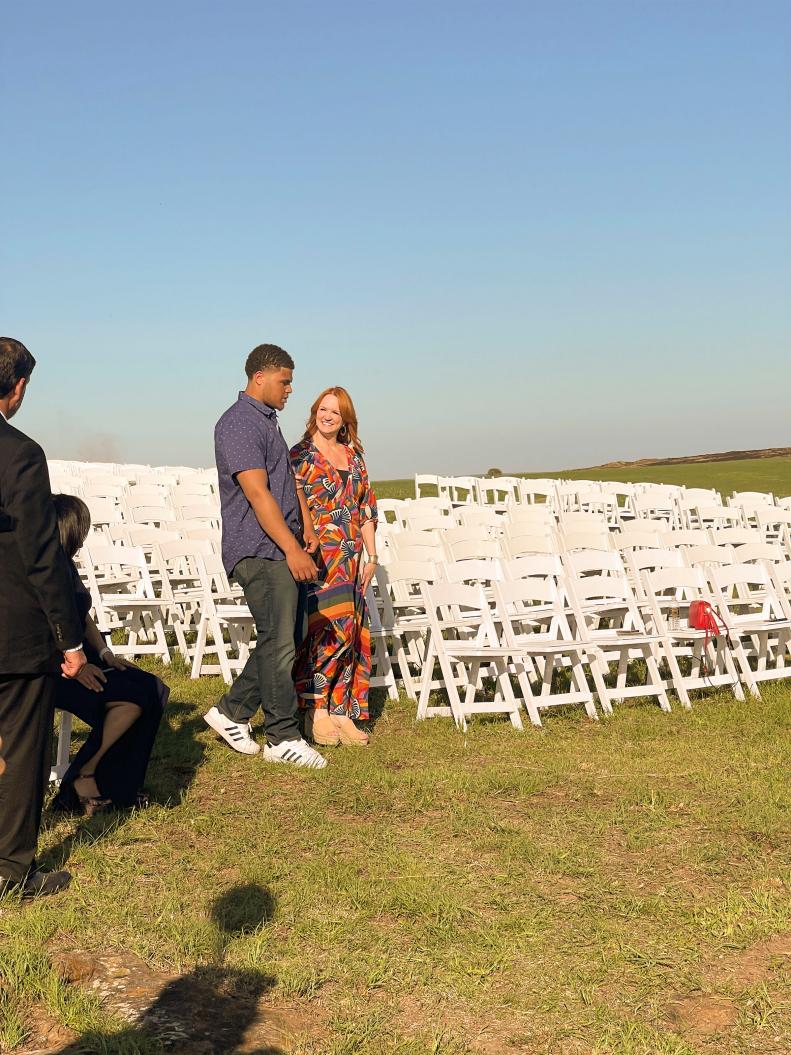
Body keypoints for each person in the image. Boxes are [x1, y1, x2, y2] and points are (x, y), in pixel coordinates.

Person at [203, 343, 327, 768]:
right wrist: (291, 549)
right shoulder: (238, 424)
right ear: (260, 377)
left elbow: (285, 483)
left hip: (279, 544)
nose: (290, 389)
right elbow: (257, 493)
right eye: (284, 380)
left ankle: (231, 711)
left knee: (286, 637)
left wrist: (305, 528)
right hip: (259, 549)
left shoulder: (265, 423)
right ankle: (281, 737)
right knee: (278, 640)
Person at [0, 338, 86, 898]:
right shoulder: (20, 453)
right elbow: (40, 554)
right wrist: (69, 637)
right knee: (21, 749)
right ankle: (11, 872)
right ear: (20, 386)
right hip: (11, 627)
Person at [49, 495, 168, 815]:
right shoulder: (43, 570)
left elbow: (82, 615)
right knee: (131, 701)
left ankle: (122, 785)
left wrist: (104, 652)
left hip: (85, 653)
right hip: (56, 666)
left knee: (153, 688)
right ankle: (84, 777)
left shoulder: (66, 563)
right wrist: (78, 666)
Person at [290, 387, 378, 746]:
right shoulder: (299, 455)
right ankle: (317, 709)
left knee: (353, 633)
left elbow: (366, 509)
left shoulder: (353, 456)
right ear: (315, 412)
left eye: (336, 412)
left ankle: (342, 711)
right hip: (319, 558)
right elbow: (293, 508)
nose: (328, 416)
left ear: (345, 420)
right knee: (327, 631)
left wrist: (371, 556)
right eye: (324, 409)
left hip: (352, 557)